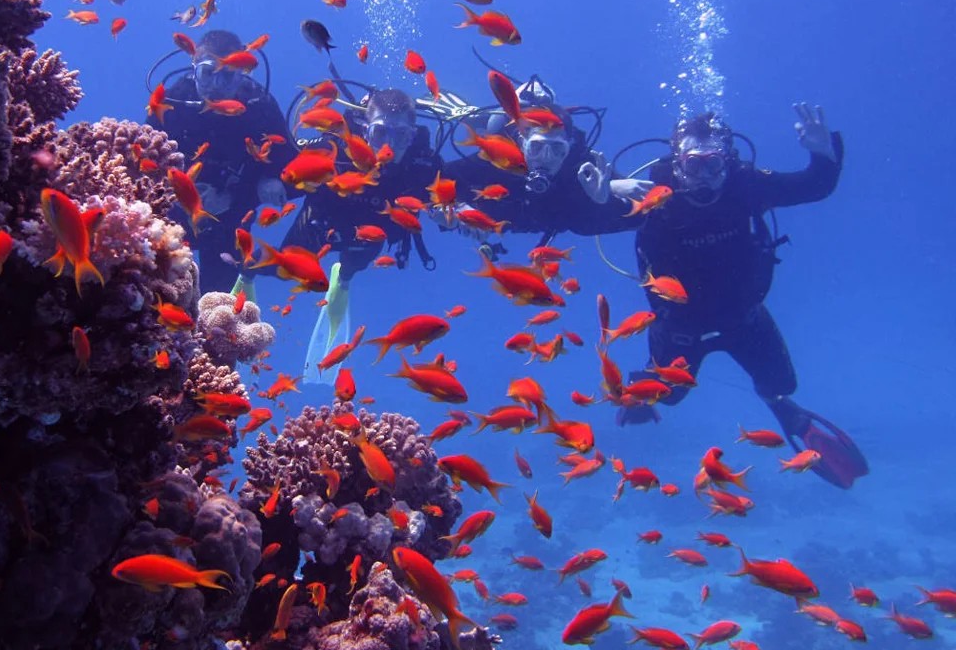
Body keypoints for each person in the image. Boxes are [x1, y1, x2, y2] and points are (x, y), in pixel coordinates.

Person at [597, 105, 867, 488]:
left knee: (781, 385)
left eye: (713, 164)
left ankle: (788, 415)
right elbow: (592, 219)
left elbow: (815, 186)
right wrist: (608, 190)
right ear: (677, 163)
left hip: (745, 316)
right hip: (680, 327)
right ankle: (641, 388)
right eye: (694, 165)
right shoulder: (654, 193)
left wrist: (823, 153)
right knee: (668, 397)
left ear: (728, 161)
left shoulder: (746, 186)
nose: (704, 177)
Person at [247, 87, 442, 382]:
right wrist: (268, 180)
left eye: (400, 136)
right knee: (283, 269)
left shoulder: (424, 164)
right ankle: (246, 270)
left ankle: (344, 279)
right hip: (321, 222)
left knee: (353, 265)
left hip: (369, 237)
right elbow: (291, 166)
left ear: (412, 136)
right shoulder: (334, 148)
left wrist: (450, 212)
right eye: (379, 133)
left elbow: (455, 190)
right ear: (364, 128)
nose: (388, 145)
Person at [145, 29, 294, 295]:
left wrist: (243, 194)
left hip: (231, 219)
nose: (216, 85)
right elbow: (144, 163)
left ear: (243, 73)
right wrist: (179, 196)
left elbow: (293, 171)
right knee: (159, 292)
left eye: (228, 75)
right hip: (175, 215)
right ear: (193, 68)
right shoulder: (172, 103)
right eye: (207, 72)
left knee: (215, 305)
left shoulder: (259, 108)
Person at [435, 75, 631, 253]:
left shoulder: (585, 169)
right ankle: (479, 118)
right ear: (522, 143)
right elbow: (433, 181)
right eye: (536, 147)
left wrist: (605, 202)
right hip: (506, 150)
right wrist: (458, 208)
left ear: (569, 147)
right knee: (489, 131)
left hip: (533, 214)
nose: (546, 157)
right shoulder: (500, 159)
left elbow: (639, 214)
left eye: (557, 149)